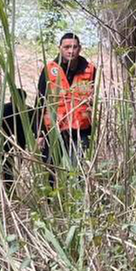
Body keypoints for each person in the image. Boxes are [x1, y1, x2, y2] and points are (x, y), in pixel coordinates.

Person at [37, 33, 95, 172]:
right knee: (51, 172)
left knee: (78, 172)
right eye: (67, 47)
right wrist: (39, 134)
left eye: (74, 47)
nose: (71, 51)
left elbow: (94, 98)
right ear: (60, 48)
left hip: (80, 131)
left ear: (79, 48)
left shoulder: (90, 70)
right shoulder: (49, 69)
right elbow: (40, 102)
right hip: (54, 130)